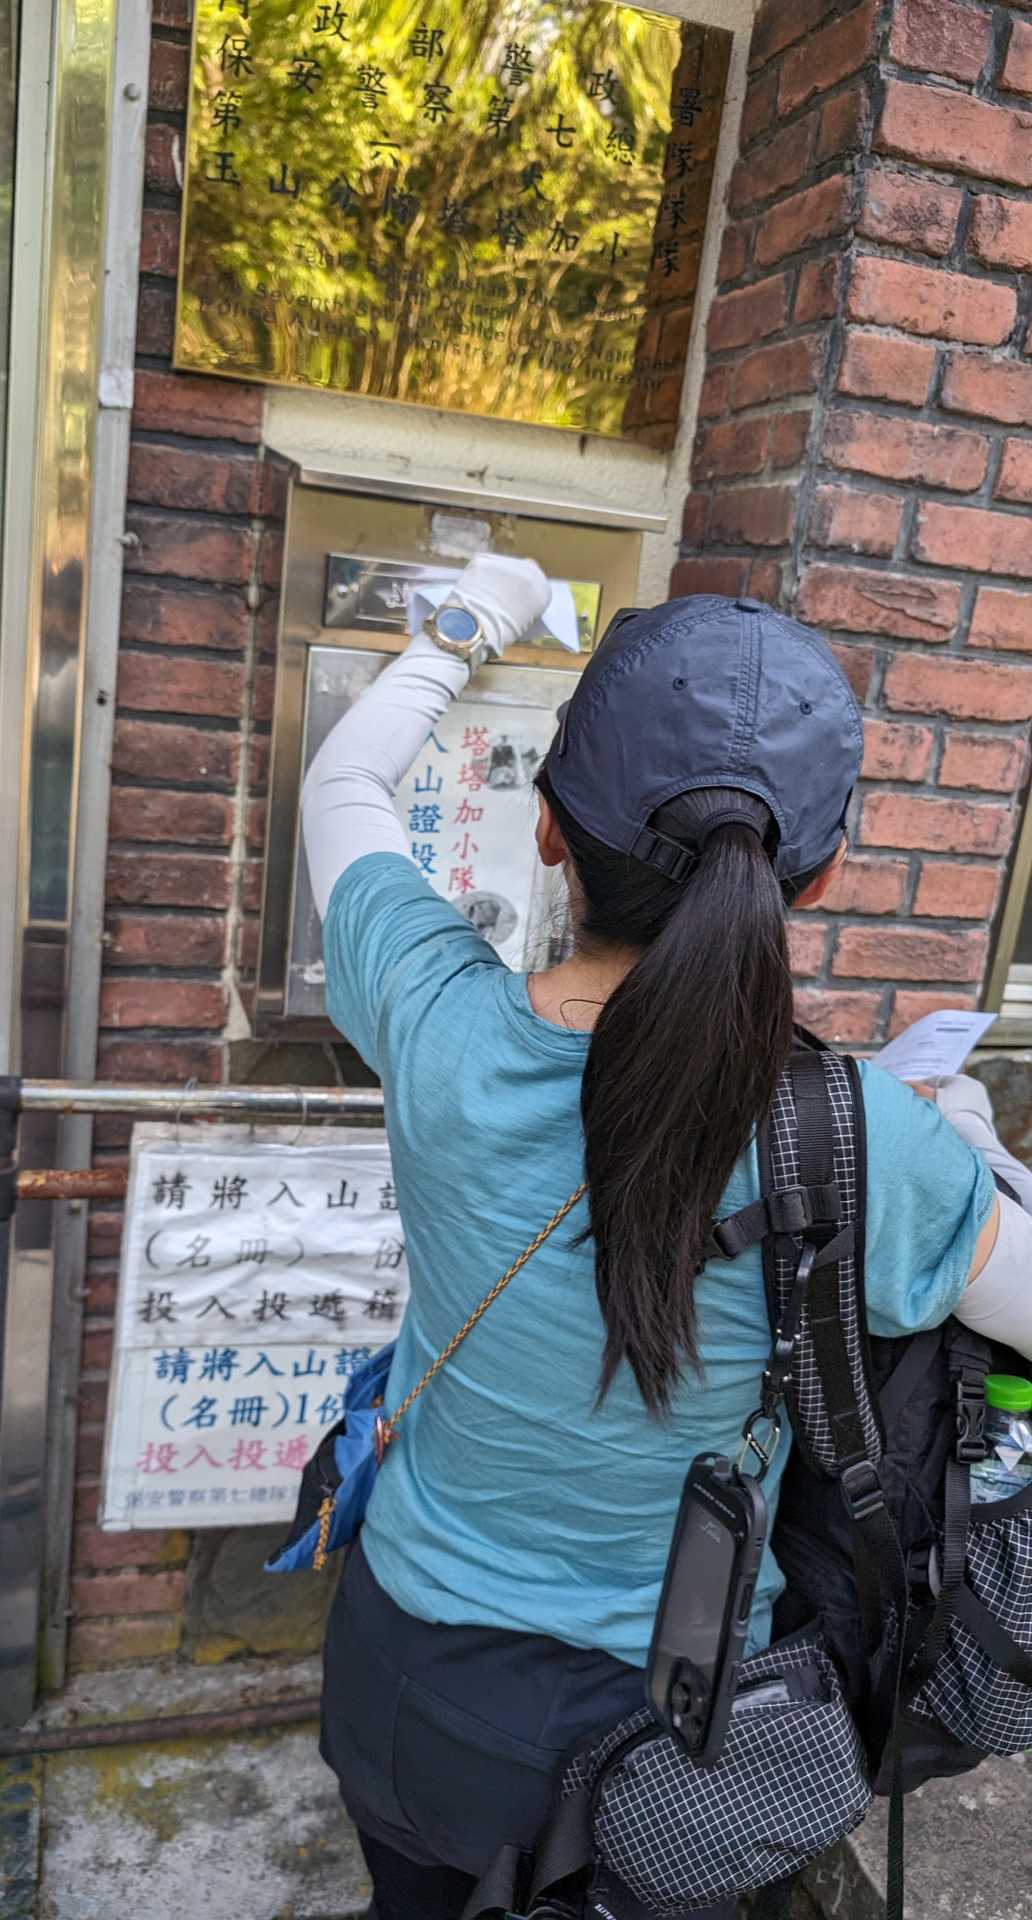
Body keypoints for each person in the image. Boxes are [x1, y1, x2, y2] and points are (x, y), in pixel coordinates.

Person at [300, 561, 1032, 1920]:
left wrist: (471, 623)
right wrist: (973, 1142)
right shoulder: (867, 1138)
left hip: (404, 1679)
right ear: (816, 877)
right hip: (674, 1748)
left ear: (549, 832)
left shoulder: (432, 1018)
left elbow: (343, 787)